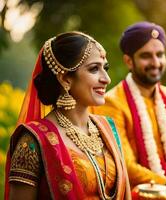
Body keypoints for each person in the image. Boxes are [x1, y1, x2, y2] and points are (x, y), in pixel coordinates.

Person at [91, 22, 166, 200]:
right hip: (137, 194)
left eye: (160, 55)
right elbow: (124, 164)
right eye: (146, 56)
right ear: (128, 61)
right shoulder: (111, 103)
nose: (155, 63)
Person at [5, 31, 131, 200]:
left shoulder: (107, 129)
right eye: (94, 69)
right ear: (65, 79)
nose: (106, 79)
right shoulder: (32, 142)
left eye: (105, 68)